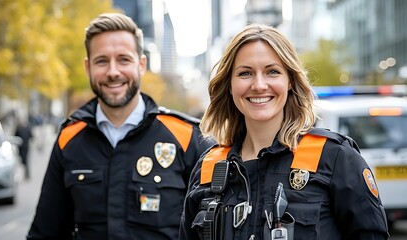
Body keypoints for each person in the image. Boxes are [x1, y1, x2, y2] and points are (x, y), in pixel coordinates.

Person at [179, 23, 389, 240]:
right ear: (229, 85)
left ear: (290, 81)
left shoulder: (334, 158)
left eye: (272, 72)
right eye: (245, 73)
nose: (259, 85)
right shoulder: (208, 168)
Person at [27, 13, 214, 240]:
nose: (113, 71)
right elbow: (45, 232)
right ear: (88, 67)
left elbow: (213, 230)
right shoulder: (69, 140)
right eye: (102, 61)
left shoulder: (188, 138)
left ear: (141, 65)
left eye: (123, 59)